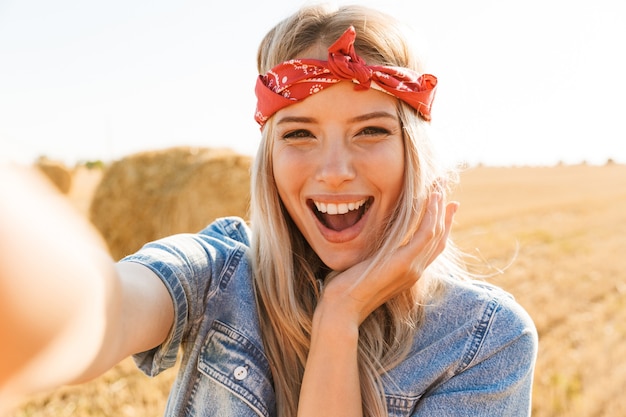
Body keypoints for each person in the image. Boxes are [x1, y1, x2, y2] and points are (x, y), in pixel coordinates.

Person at [0, 4, 538, 417]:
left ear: (413, 149)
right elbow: (103, 316)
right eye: (298, 134)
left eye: (371, 131)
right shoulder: (216, 271)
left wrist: (338, 317)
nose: (333, 170)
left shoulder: (485, 341)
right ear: (268, 155)